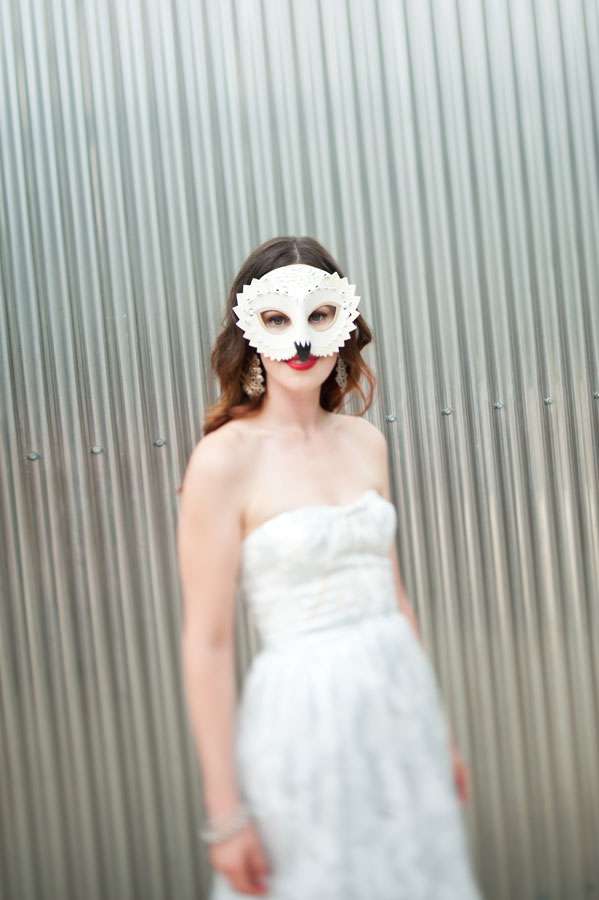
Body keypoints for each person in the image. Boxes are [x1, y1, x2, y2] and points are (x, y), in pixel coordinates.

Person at [177, 236, 483, 899]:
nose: (301, 339)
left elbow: (394, 596)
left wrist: (438, 735)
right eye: (277, 317)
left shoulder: (365, 442)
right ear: (249, 330)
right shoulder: (224, 461)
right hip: (302, 725)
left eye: (318, 314)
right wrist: (225, 813)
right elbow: (207, 643)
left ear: (343, 321)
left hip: (398, 710)